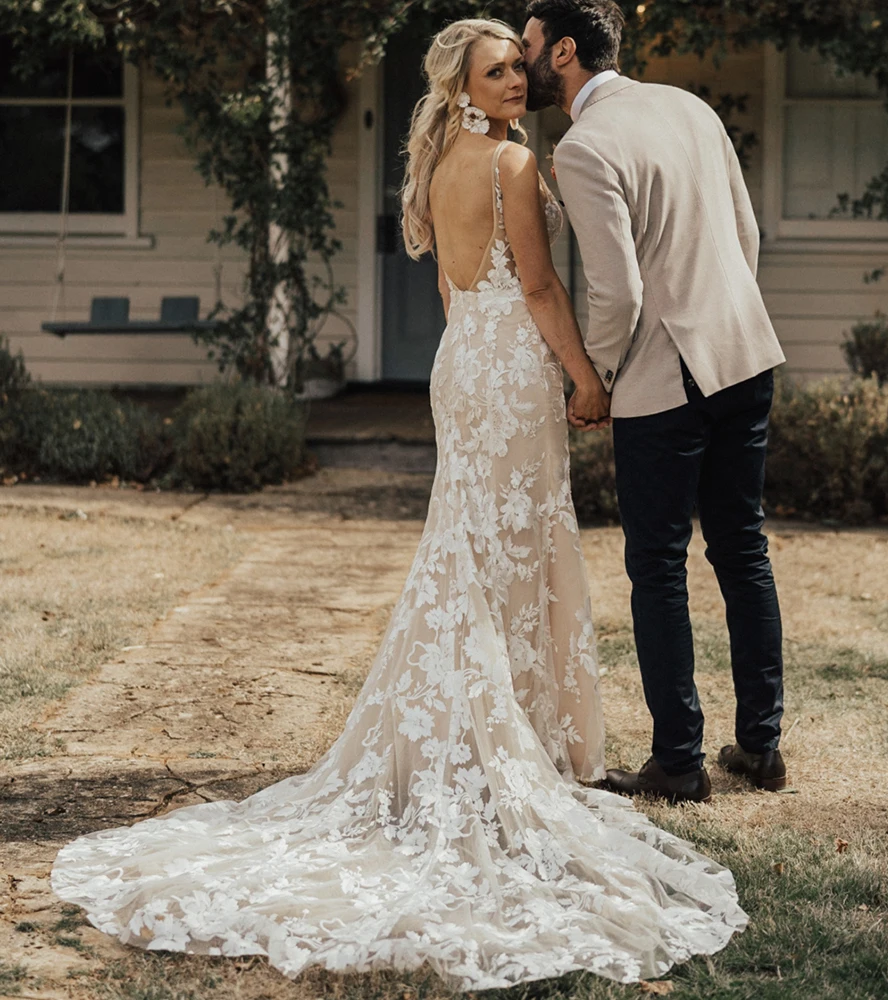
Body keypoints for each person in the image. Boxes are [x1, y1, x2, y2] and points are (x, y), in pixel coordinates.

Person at [49, 19, 746, 989]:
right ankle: (504, 735)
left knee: (475, 546)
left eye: (518, 65)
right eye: (498, 70)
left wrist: (495, 359)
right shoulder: (505, 161)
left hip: (461, 363)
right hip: (508, 363)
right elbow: (540, 287)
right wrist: (585, 380)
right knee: (510, 548)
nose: (516, 80)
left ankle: (502, 724)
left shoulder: (435, 161)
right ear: (463, 82)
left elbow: (460, 289)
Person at [522, 0, 788, 804]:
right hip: (744, 354)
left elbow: (617, 291)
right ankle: (761, 746)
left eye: (529, 45)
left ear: (564, 52)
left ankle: (678, 762)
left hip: (663, 384)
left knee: (658, 566)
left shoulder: (584, 145)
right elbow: (745, 238)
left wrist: (593, 378)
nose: (522, 58)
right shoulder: (690, 106)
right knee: (743, 550)